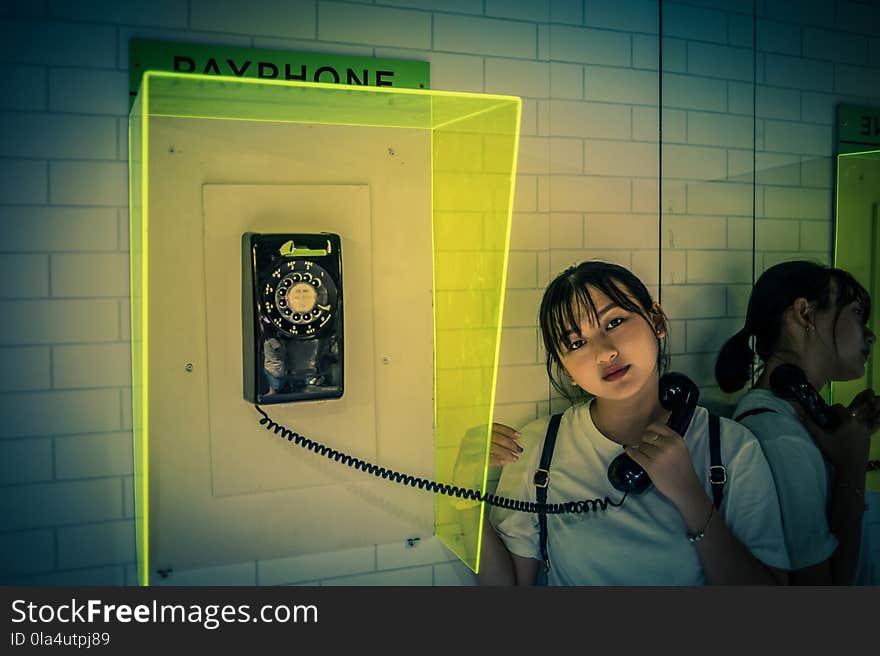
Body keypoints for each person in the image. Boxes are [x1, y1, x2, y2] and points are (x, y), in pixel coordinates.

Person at [479, 261, 790, 585]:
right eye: (576, 343)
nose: (604, 353)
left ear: (656, 320)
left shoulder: (731, 447)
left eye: (614, 322)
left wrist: (689, 495)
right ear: (566, 369)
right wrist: (458, 498)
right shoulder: (538, 446)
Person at [715, 260, 880, 585]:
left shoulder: (791, 416)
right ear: (805, 314)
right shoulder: (779, 436)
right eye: (857, 313)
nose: (870, 335)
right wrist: (852, 464)